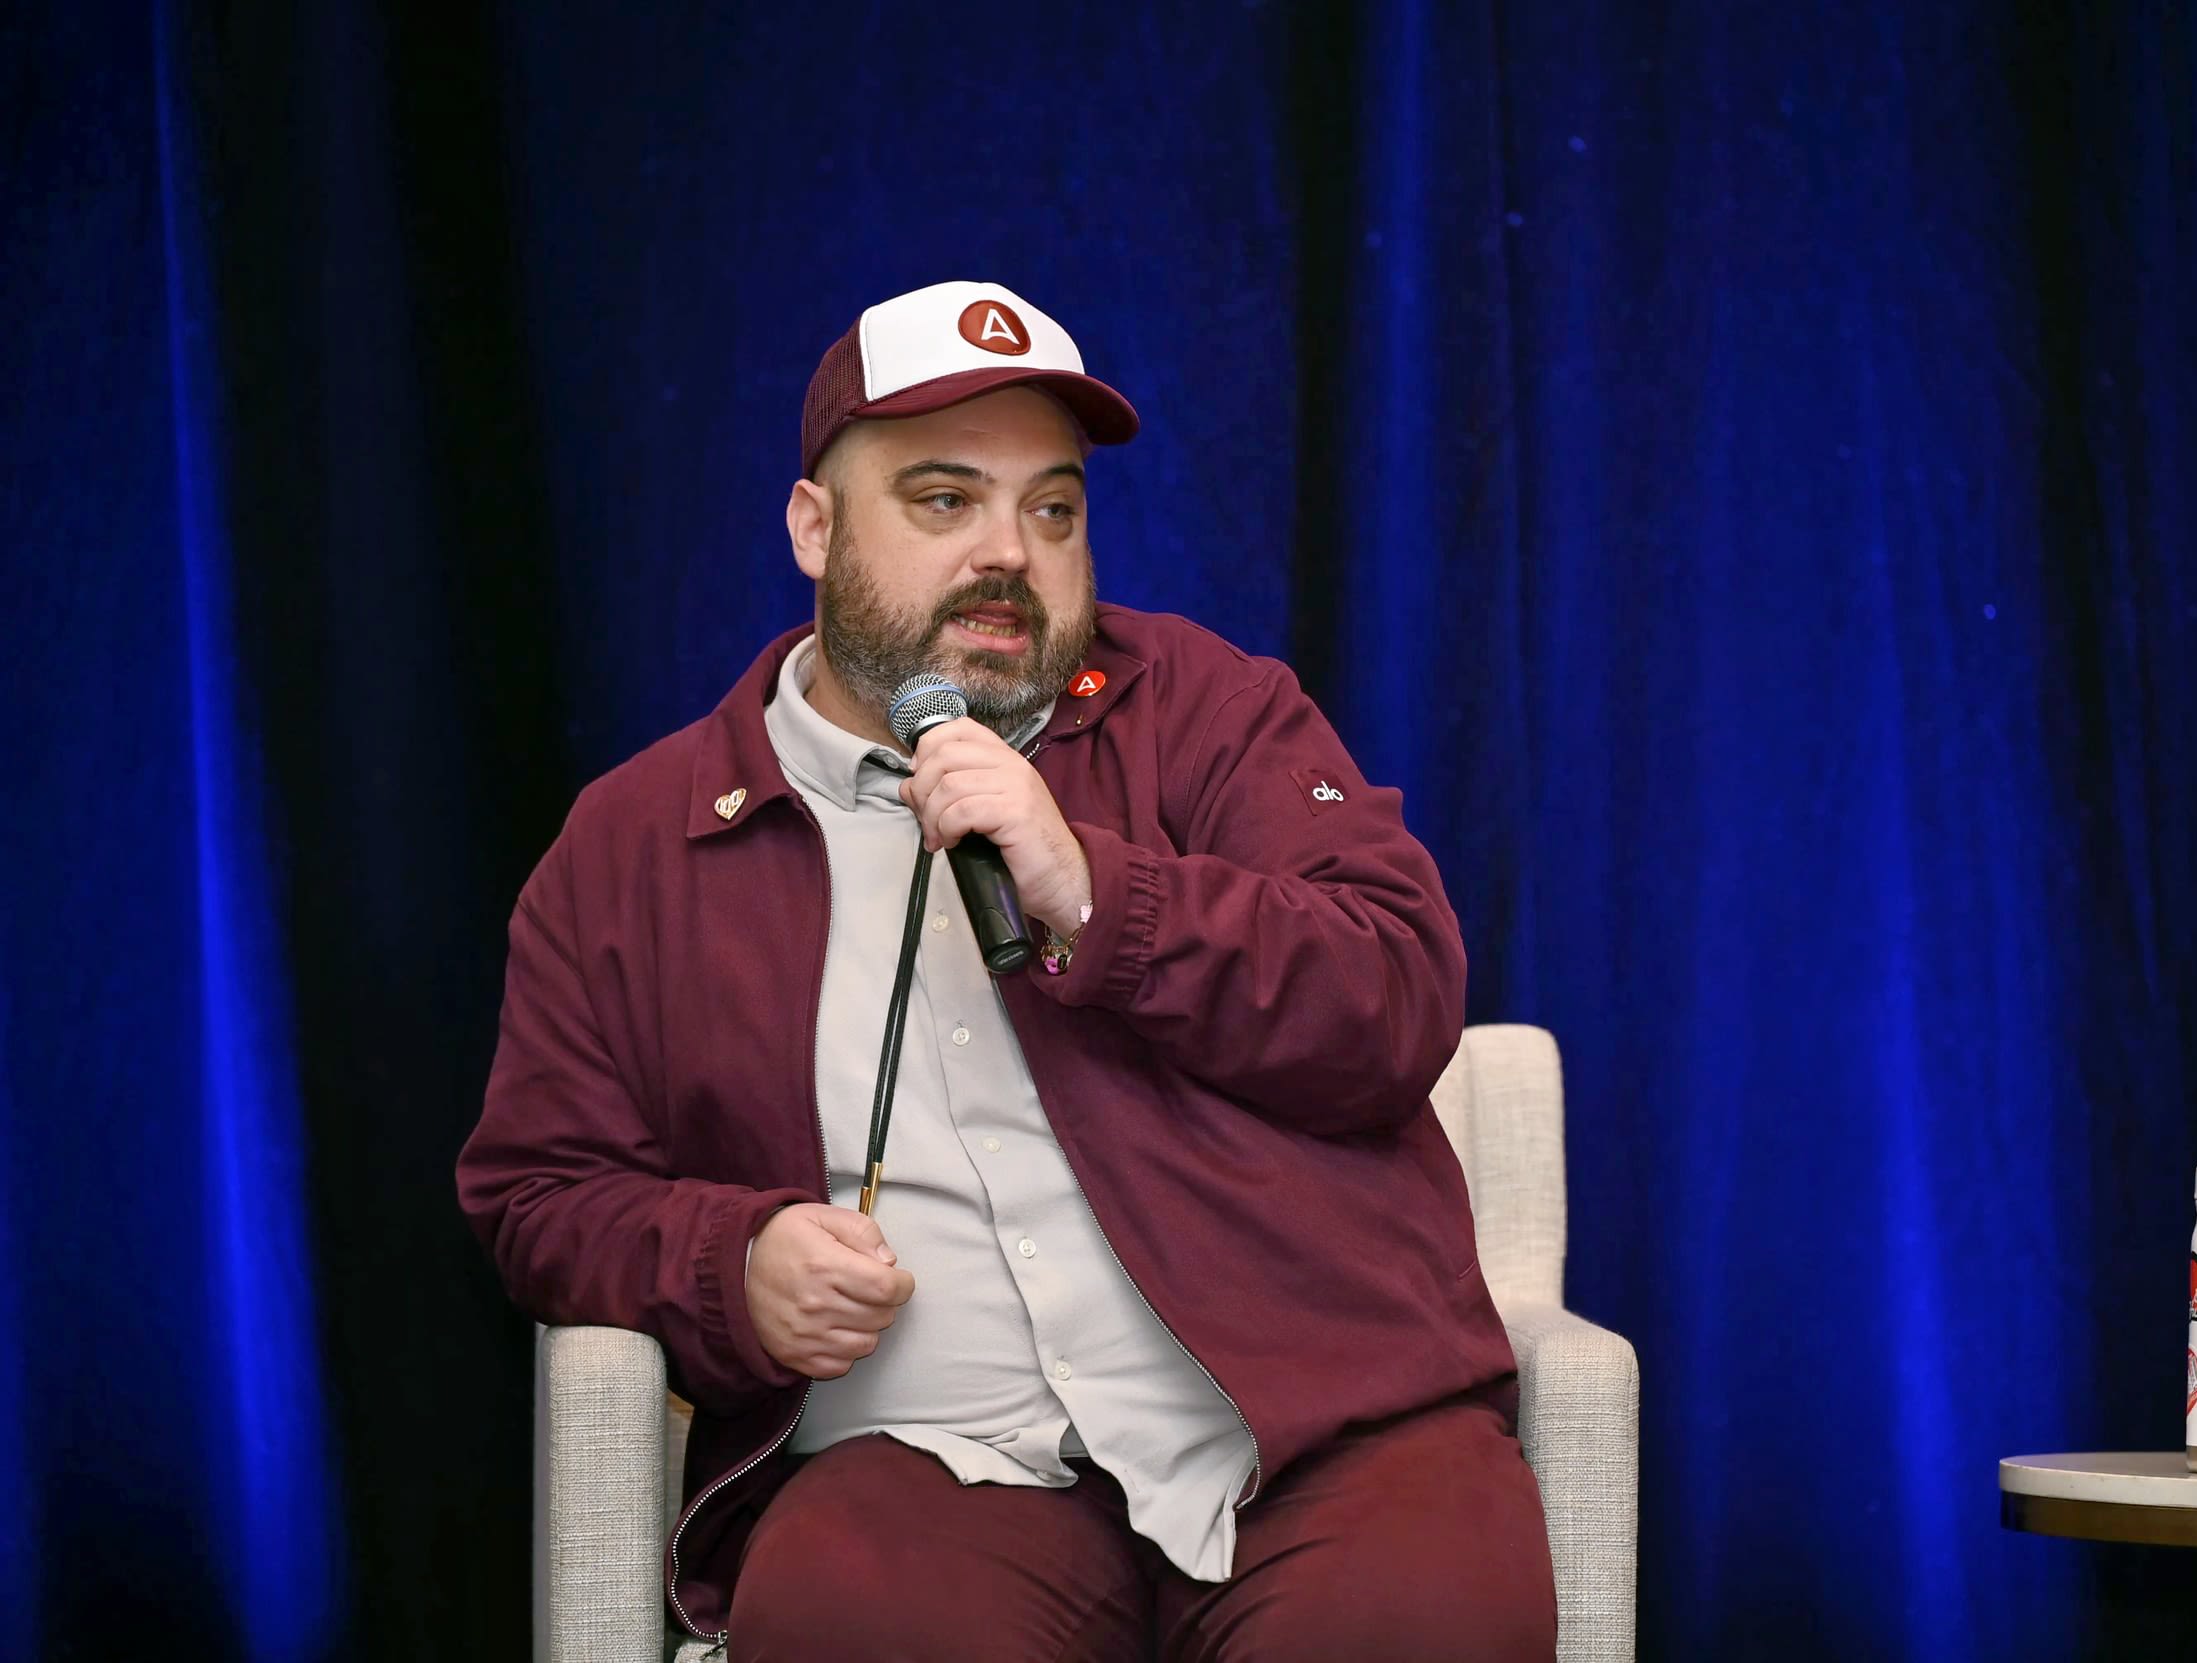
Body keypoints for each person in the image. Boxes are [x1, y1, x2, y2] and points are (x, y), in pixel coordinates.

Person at [456, 280, 1555, 1660]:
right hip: (926, 1466)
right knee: (847, 1618)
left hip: (1315, 1434)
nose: (1010, 554)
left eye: (1053, 510)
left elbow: (1394, 998)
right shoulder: (636, 845)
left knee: (1429, 1617)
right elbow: (540, 1192)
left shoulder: (1212, 715)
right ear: (813, 529)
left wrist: (1099, 890)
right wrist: (730, 1266)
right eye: (941, 501)